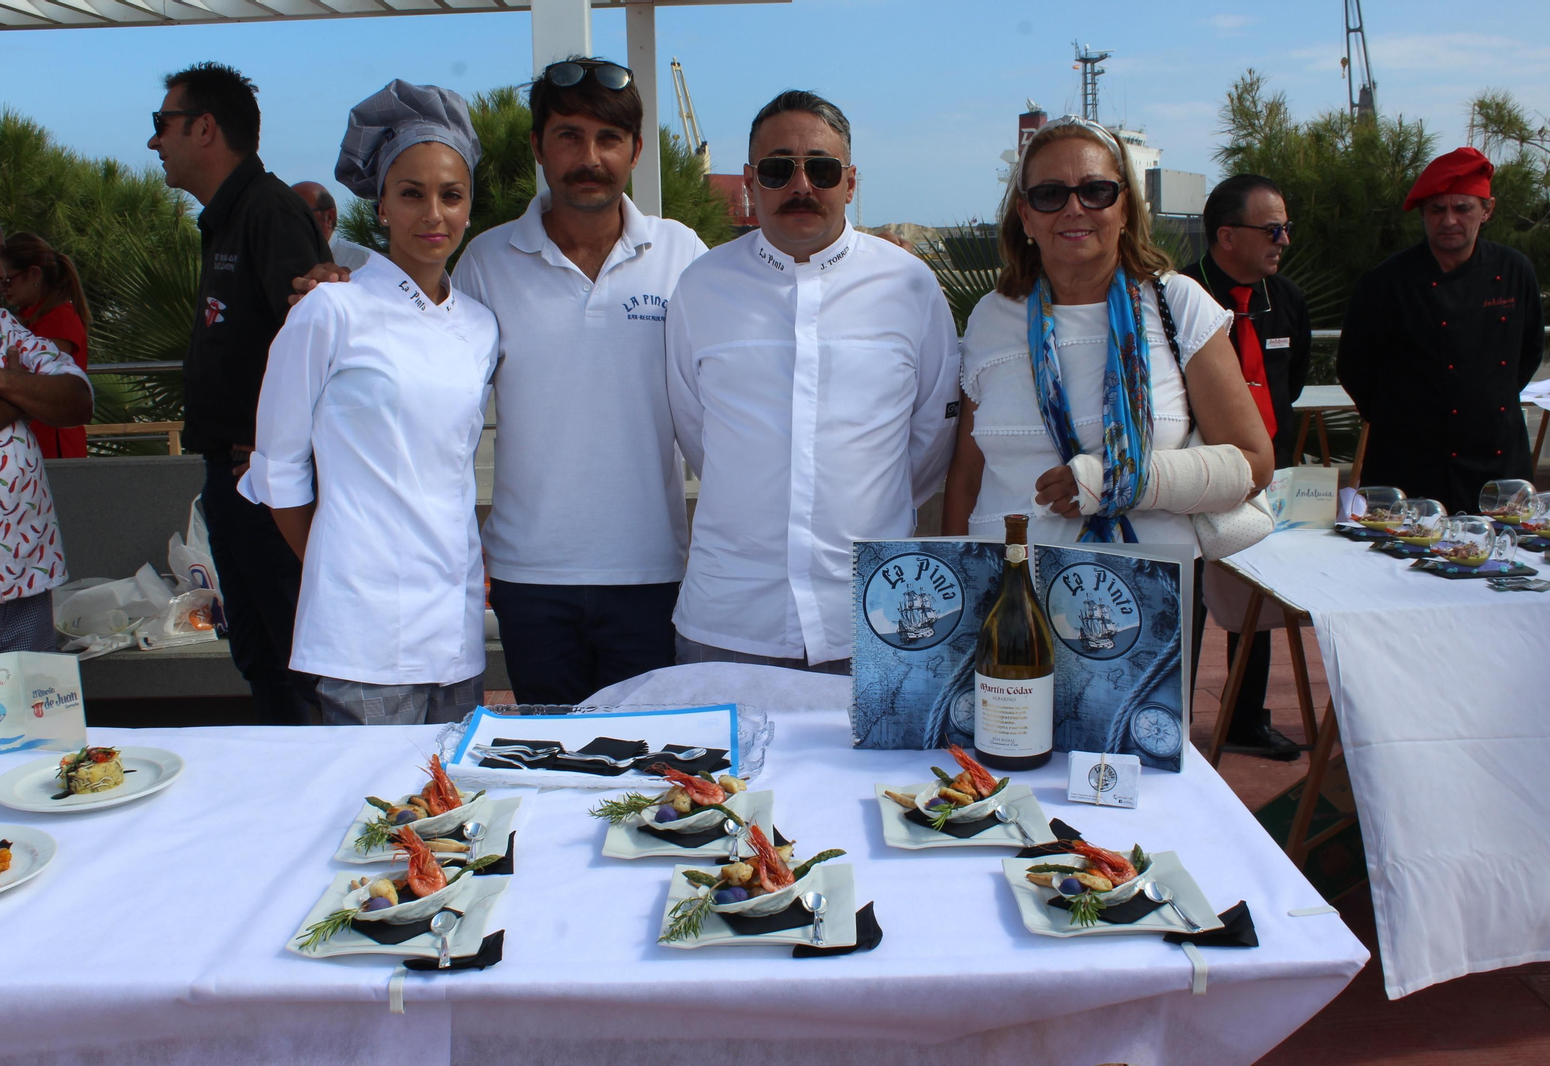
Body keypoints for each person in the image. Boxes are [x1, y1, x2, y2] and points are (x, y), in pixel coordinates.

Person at [297, 58, 708, 705]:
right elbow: (414, 343)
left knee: (645, 767)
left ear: (635, 150)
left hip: (652, 573)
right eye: (569, 135)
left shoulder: (683, 255)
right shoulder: (487, 260)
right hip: (528, 581)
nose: (589, 156)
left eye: (608, 139)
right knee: (549, 774)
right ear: (538, 147)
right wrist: (343, 286)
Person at [665, 90, 960, 672]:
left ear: (849, 182)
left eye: (820, 169)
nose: (801, 185)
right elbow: (698, 434)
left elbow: (929, 439)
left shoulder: (910, 286)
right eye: (778, 169)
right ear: (751, 182)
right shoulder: (701, 289)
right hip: (731, 621)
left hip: (876, 619)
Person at [241, 81, 498, 725]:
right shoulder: (332, 309)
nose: (432, 214)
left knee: (450, 818)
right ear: (380, 206)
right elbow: (277, 465)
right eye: (411, 194)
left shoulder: (479, 326)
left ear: (470, 207)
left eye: (451, 195)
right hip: (360, 634)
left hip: (455, 624)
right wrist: (337, 565)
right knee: (371, 816)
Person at [942, 115, 1272, 549]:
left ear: (1125, 208)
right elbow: (967, 474)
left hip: (1144, 595)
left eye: (1097, 191)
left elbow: (1254, 462)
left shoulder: (1179, 303)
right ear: (1025, 215)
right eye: (1050, 195)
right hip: (1008, 590)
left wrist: (1114, 481)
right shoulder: (991, 317)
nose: (1073, 208)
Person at [148, 61, 331, 724]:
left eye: (161, 124)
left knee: (295, 665)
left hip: (266, 485)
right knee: (258, 657)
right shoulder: (227, 218)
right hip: (232, 479)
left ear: (203, 128)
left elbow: (314, 344)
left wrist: (275, 459)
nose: (153, 142)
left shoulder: (270, 213)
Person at [1181, 174, 1311, 760]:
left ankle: (1243, 719)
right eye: (1272, 228)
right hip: (1192, 477)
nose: (1284, 239)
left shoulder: (1287, 301)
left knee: (1255, 604)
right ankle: (1172, 718)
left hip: (1261, 481)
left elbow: (1294, 378)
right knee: (1187, 604)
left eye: (1285, 228)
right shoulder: (1180, 299)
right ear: (1227, 235)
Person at [1338, 147, 1544, 514]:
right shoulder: (1385, 282)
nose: (1449, 220)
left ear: (1487, 210)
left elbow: (1528, 353)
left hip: (1497, 460)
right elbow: (1355, 366)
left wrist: (1481, 401)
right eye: (1437, 209)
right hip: (1409, 463)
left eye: (1462, 208)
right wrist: (1403, 419)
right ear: (1423, 215)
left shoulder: (1514, 270)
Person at [0, 192, 94, 657]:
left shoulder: (3, 324)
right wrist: (26, 389)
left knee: (36, 718)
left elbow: (77, 399)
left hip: (29, 566)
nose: (1, 273)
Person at [0, 233, 92, 459]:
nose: (2, 288)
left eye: (8, 279)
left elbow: (47, 380)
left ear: (33, 274)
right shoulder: (32, 318)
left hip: (53, 440)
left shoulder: (59, 318)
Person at [291, 181, 373, 272]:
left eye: (299, 213)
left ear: (329, 217)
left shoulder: (366, 262)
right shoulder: (278, 261)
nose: (289, 221)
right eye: (284, 215)